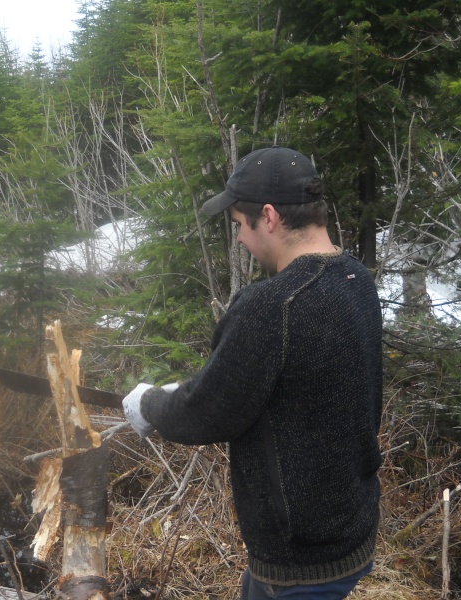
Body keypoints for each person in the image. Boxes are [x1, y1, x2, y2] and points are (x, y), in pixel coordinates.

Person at [122, 146, 383, 599]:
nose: (239, 239)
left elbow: (207, 414)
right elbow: (283, 387)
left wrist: (150, 404)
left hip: (301, 557)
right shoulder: (355, 278)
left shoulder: (271, 305)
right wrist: (186, 390)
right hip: (348, 530)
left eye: (239, 225)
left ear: (269, 216)